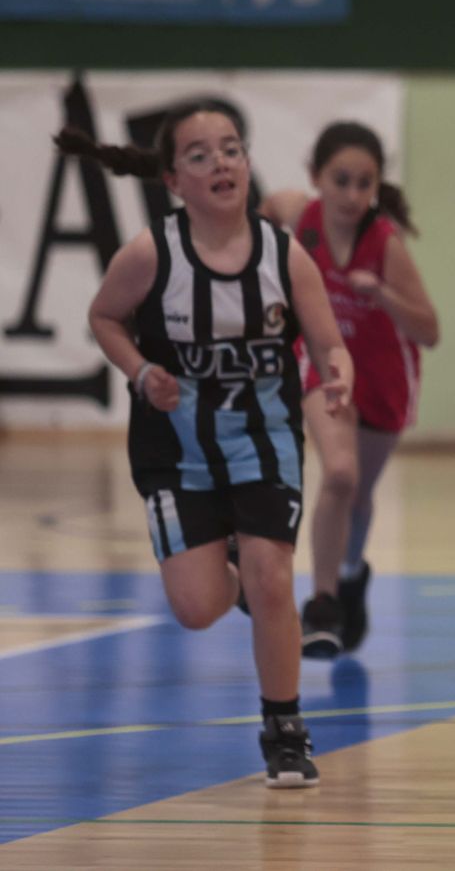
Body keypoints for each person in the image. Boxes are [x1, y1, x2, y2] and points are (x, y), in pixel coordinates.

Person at [64, 100, 353, 788]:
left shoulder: (284, 253)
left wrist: (338, 374)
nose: (221, 162)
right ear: (173, 180)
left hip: (264, 440)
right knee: (196, 607)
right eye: (200, 154)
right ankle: (237, 572)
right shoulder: (150, 253)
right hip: (176, 450)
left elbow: (327, 341)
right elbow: (103, 316)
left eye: (231, 148)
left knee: (274, 577)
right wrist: (140, 372)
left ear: (248, 163)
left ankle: (285, 728)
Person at [260, 122, 439, 658]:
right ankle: (322, 604)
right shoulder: (294, 214)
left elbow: (429, 331)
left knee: (358, 493)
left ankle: (351, 572)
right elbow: (257, 224)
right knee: (339, 474)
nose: (353, 195)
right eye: (341, 180)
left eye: (366, 183)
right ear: (316, 177)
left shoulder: (385, 244)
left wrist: (383, 294)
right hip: (325, 362)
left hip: (383, 374)